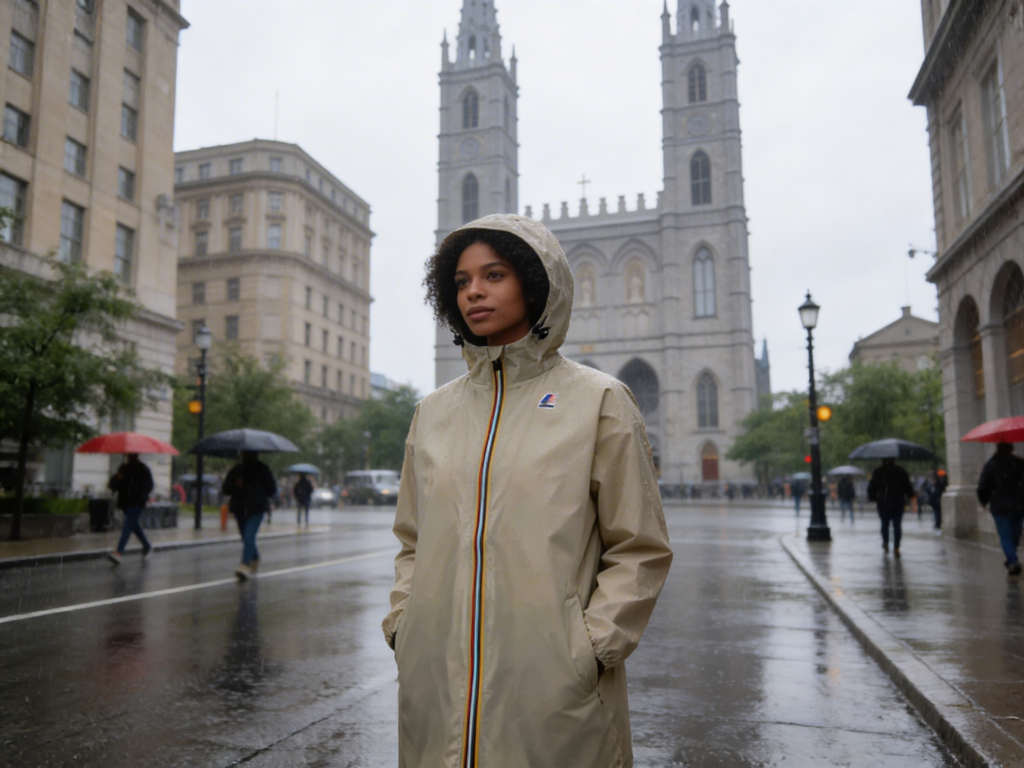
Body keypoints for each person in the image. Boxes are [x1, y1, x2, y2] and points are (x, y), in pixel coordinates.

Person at [382, 214, 673, 767]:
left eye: (494, 275)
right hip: (433, 690)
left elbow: (639, 548)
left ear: (536, 282)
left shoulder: (600, 402)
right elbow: (412, 540)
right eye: (462, 281)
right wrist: (404, 626)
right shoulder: (433, 412)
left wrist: (587, 650)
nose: (474, 292)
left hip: (554, 697)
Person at [222, 451, 277, 580]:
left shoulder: (263, 470)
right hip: (240, 508)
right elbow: (226, 488)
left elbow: (272, 489)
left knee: (248, 535)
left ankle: (245, 564)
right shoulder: (237, 470)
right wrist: (237, 485)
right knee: (246, 537)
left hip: (256, 509)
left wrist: (259, 488)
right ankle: (255, 557)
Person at [977, 443, 1024, 576]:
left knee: (1005, 535)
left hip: (1000, 506)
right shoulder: (1019, 463)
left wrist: (983, 501)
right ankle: (1012, 558)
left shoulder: (991, 465)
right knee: (1015, 533)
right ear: (1012, 449)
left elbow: (983, 486)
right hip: (1018, 505)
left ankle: (1012, 560)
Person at [106, 453, 154, 564]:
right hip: (126, 503)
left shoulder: (143, 469)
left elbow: (149, 485)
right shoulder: (124, 468)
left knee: (127, 525)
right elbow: (112, 485)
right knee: (133, 525)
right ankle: (147, 546)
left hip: (136, 503)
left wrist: (141, 496)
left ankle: (119, 552)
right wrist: (118, 477)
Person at [867, 457, 916, 557]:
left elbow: (871, 487)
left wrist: (874, 498)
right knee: (897, 525)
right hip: (897, 502)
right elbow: (908, 487)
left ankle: (886, 541)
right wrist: (910, 495)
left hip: (883, 503)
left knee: (884, 524)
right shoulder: (900, 471)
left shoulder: (878, 472)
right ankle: (896, 547)